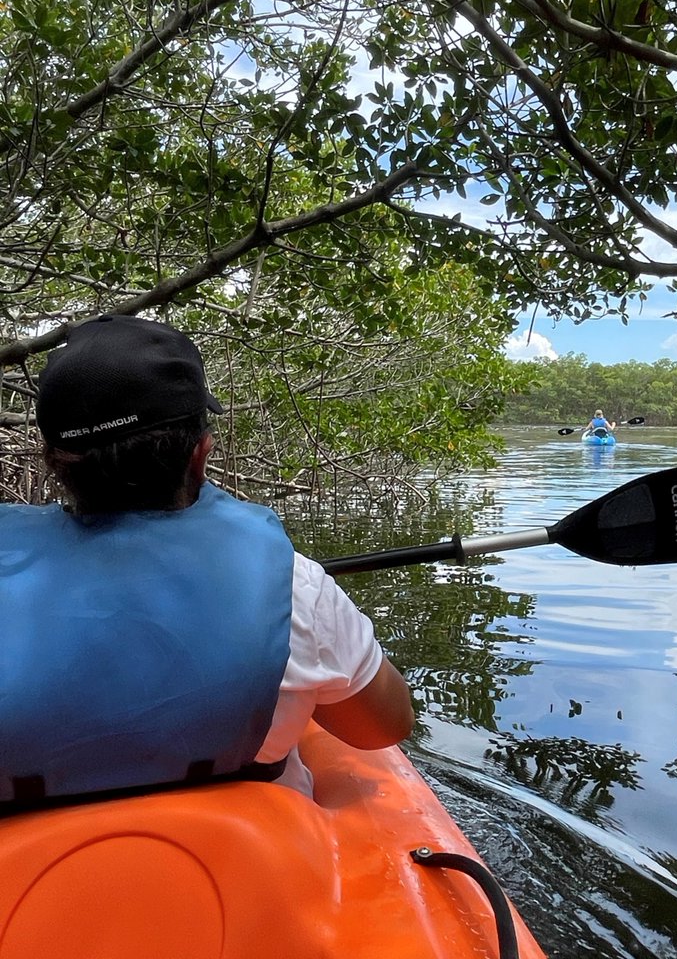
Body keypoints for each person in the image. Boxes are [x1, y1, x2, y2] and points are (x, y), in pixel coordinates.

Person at [0, 314, 414, 808]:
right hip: (246, 860)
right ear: (200, 454)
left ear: (53, 460)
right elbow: (383, 727)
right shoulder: (295, 588)